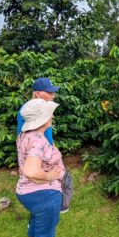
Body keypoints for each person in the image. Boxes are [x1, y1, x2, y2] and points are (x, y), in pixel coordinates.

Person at [16, 98, 66, 237]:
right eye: (48, 113)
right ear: (42, 119)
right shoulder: (38, 141)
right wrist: (51, 176)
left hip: (26, 192)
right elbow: (30, 170)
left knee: (38, 221)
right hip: (43, 195)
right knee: (46, 231)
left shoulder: (25, 135)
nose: (51, 115)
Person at [17, 77, 73, 213]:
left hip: (45, 151)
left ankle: (53, 206)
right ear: (38, 93)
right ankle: (59, 206)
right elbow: (28, 137)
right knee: (61, 177)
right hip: (41, 156)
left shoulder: (41, 109)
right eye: (49, 92)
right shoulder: (32, 111)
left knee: (62, 176)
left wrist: (52, 146)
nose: (53, 96)